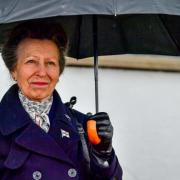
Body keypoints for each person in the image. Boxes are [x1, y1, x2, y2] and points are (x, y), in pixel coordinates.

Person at [0, 20, 123, 180]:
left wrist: (103, 155)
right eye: (31, 61)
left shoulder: (82, 125)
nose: (42, 72)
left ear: (59, 72)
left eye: (50, 63)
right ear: (14, 70)